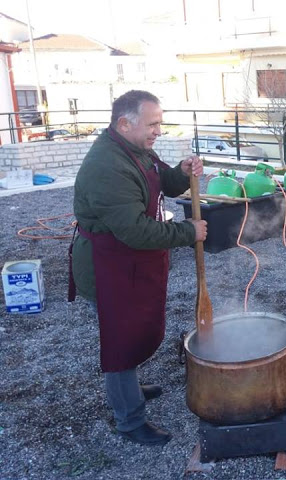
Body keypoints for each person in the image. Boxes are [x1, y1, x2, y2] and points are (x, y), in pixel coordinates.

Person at [69, 90, 208, 445]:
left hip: (130, 262)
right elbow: (134, 230)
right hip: (109, 266)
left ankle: (129, 386)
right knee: (119, 344)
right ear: (124, 123)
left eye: (160, 122)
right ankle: (129, 420)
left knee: (134, 331)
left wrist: (181, 171)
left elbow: (161, 181)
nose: (158, 131)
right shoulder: (107, 166)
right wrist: (187, 232)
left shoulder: (136, 150)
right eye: (153, 123)